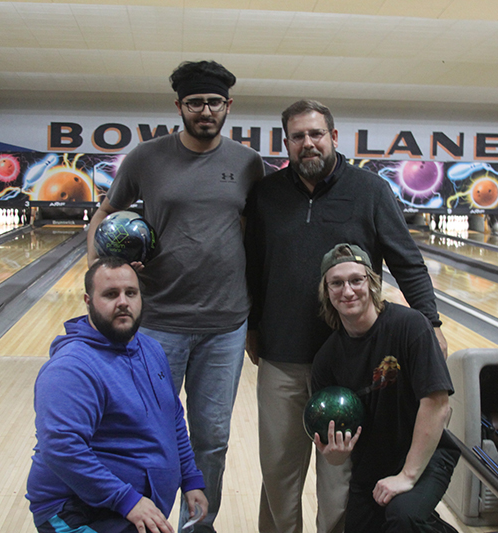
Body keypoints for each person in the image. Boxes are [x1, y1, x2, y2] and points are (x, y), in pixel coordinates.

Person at [244, 99, 448, 533]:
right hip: (283, 355)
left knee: (338, 480)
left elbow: (406, 260)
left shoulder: (370, 191)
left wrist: (429, 321)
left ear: (334, 137)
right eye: (298, 136)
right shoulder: (266, 194)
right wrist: (253, 326)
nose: (308, 143)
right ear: (287, 143)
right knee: (279, 473)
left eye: (316, 134)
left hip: (347, 361)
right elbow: (253, 266)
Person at [86, 60, 265, 532]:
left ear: (228, 106)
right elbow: (104, 213)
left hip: (225, 325)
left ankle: (197, 527)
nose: (204, 110)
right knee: (147, 433)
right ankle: (146, 524)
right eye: (194, 103)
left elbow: (257, 235)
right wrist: (99, 272)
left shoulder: (247, 163)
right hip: (158, 321)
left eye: (212, 102)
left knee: (212, 438)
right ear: (179, 107)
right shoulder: (146, 158)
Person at [26, 257, 208, 533]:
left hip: (127, 506)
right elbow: (62, 447)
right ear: (88, 301)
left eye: (130, 293)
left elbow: (172, 418)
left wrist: (190, 478)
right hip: (77, 511)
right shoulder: (71, 368)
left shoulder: (151, 349)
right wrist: (128, 500)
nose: (123, 301)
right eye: (111, 294)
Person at [311, 243, 459, 532]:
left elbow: (438, 404)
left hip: (427, 456)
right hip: (372, 467)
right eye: (337, 283)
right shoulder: (326, 360)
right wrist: (335, 453)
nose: (348, 291)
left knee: (403, 517)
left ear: (372, 282)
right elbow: (334, 451)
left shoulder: (411, 327)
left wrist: (407, 475)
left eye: (356, 280)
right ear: (327, 292)